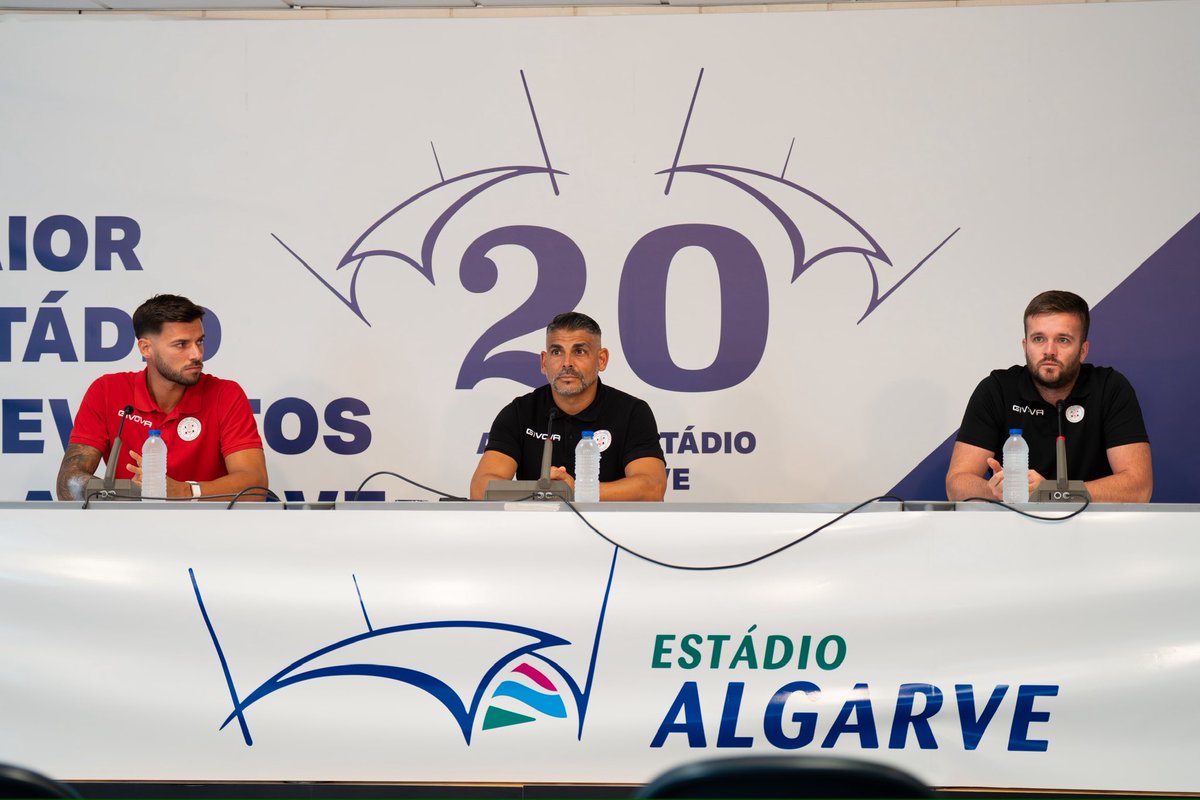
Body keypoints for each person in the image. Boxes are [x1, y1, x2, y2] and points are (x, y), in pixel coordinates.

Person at [56, 294, 268, 501]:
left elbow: (254, 485)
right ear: (146, 348)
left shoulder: (226, 394)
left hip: (208, 531)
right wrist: (138, 491)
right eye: (181, 344)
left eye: (200, 341)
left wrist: (185, 492)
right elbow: (69, 483)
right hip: (129, 529)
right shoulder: (106, 391)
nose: (197, 354)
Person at [946, 290, 1152, 503]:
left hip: (1094, 529)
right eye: (1039, 339)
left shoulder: (1110, 388)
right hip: (1013, 528)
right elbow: (956, 484)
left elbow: (1139, 488)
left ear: (1083, 350)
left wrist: (1051, 492)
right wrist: (995, 491)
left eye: (1063, 340)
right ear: (1026, 346)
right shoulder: (996, 389)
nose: (1049, 350)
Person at [470, 312, 667, 501]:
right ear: (544, 362)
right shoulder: (519, 412)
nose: (567, 363)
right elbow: (481, 488)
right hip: (535, 532)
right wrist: (545, 493)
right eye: (557, 352)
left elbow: (652, 487)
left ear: (602, 359)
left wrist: (574, 491)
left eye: (579, 351)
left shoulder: (632, 412)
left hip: (609, 532)